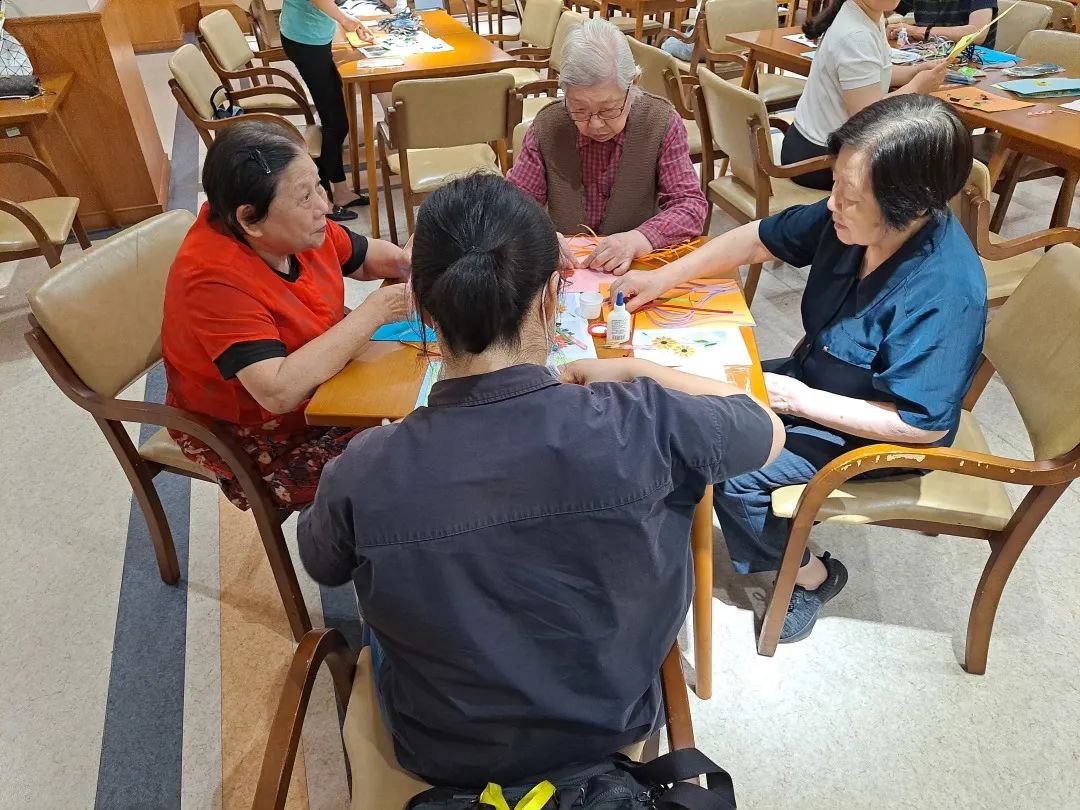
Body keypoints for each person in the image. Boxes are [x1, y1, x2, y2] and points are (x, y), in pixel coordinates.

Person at [297, 173, 783, 788]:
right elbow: (766, 428)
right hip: (613, 721)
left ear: (421, 307)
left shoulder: (366, 467)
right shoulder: (643, 420)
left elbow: (323, 561)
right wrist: (636, 370)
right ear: (553, 294)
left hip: (443, 749)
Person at [610, 95, 987, 643]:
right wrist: (663, 277)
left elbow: (921, 424)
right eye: (834, 185)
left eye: (848, 197)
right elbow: (760, 237)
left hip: (871, 430)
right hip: (813, 379)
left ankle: (812, 576)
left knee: (734, 464)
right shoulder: (850, 220)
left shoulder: (946, 290)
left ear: (907, 206)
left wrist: (796, 400)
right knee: (681, 389)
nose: (832, 204)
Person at [162, 120, 410, 509]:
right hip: (260, 434)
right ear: (249, 219)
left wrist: (406, 263)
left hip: (322, 384)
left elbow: (363, 258)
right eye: (305, 197)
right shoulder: (212, 278)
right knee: (413, 449)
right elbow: (276, 392)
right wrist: (373, 313)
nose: (324, 206)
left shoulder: (296, 229)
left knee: (423, 402)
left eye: (318, 187)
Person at [507, 18, 708, 276]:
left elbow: (690, 206)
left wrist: (640, 238)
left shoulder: (660, 123)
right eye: (579, 109)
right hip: (567, 272)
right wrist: (540, 235)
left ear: (634, 83)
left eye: (609, 109)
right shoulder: (548, 127)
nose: (595, 124)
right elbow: (511, 206)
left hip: (637, 269)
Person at [782, 0, 949, 189]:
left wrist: (914, 72)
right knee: (927, 167)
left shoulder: (869, 15)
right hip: (819, 159)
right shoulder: (856, 35)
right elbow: (868, 115)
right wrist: (917, 86)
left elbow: (873, 75)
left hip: (818, 147)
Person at [279, 0, 368, 220]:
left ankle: (339, 191)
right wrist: (344, 19)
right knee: (336, 124)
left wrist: (343, 16)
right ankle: (323, 199)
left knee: (334, 121)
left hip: (312, 35)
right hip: (305, 40)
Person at [888, 0, 999, 51]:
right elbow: (885, 9)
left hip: (973, 63)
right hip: (926, 56)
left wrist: (917, 31)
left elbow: (977, 33)